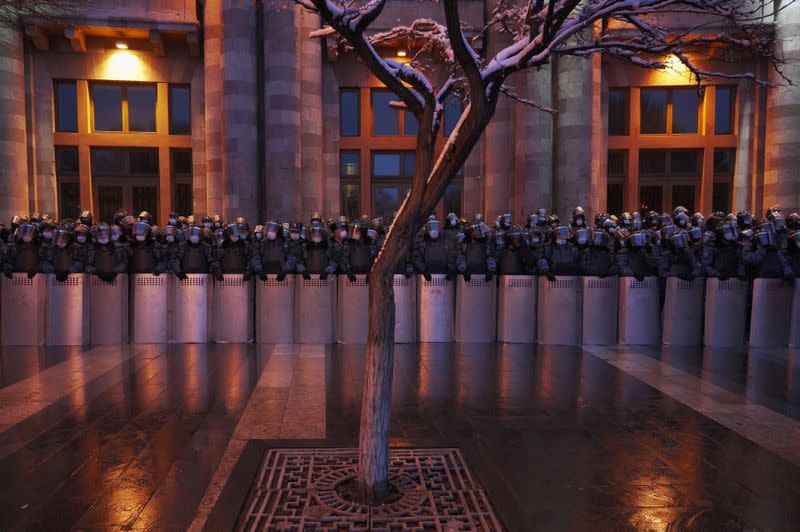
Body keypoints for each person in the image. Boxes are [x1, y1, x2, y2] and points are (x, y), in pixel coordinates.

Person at [412, 216, 458, 280]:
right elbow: (417, 257)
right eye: (431, 227)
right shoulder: (422, 242)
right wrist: (424, 270)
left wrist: (451, 270)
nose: (434, 230)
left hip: (443, 276)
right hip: (426, 278)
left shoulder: (445, 242)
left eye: (435, 226)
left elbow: (451, 256)